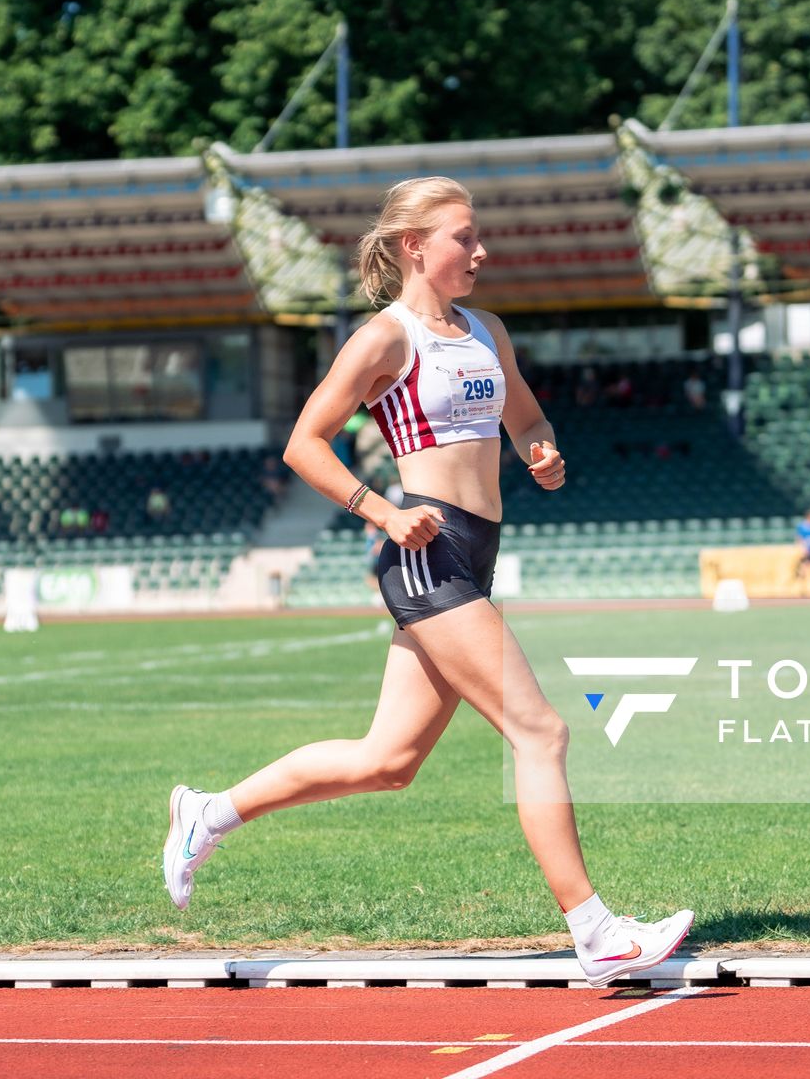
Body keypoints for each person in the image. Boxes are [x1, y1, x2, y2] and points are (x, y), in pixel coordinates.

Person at [159, 176, 692, 987]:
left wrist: (541, 452)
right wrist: (379, 510)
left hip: (473, 550)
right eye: (463, 237)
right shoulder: (386, 338)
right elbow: (305, 442)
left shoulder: (487, 331)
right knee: (541, 733)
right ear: (415, 247)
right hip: (426, 550)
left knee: (390, 760)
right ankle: (597, 933)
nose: (481, 251)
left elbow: (528, 419)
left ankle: (211, 812)